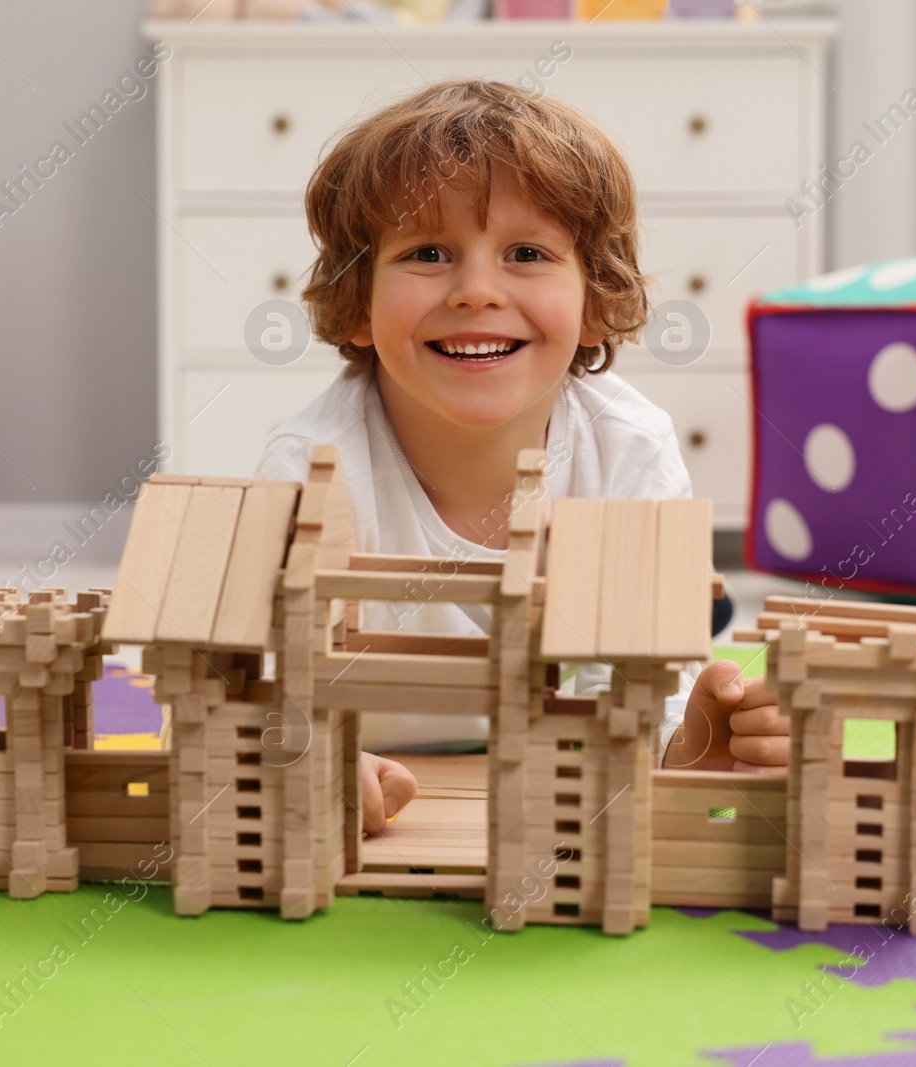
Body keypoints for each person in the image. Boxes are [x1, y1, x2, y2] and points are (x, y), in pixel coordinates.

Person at [253, 79, 785, 834]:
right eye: (428, 252)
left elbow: (641, 692)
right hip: (394, 755)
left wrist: (695, 738)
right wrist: (304, 748)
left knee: (705, 632)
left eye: (527, 253)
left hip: (556, 739)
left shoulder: (629, 444)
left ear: (597, 302)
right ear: (355, 304)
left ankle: (718, 610)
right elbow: (256, 680)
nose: (476, 291)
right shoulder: (313, 465)